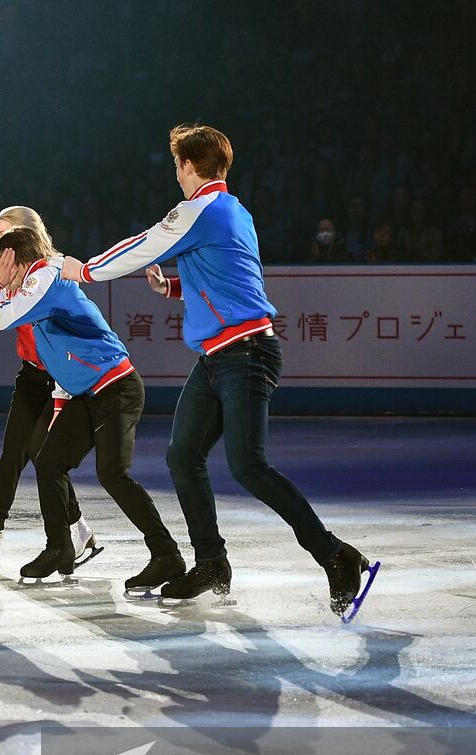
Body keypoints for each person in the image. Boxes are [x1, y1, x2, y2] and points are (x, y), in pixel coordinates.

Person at [60, 124, 378, 619]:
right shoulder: (234, 211)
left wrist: (84, 270)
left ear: (189, 166)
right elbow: (229, 276)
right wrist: (173, 290)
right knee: (183, 456)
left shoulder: (199, 209)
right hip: (219, 358)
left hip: (245, 355)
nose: (176, 177)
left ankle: (336, 555)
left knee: (248, 465)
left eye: (177, 167)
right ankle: (212, 563)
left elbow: (142, 244)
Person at [0, 225, 186, 595]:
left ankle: (166, 554)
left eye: (3, 262)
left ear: (16, 261)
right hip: (88, 394)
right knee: (48, 461)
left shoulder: (44, 278)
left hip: (116, 387)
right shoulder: (37, 280)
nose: (0, 272)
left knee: (112, 473)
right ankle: (59, 547)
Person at [0, 206, 99, 568]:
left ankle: (74, 531)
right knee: (13, 456)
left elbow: (2, 317)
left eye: (3, 236)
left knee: (42, 454)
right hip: (32, 376)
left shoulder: (51, 272)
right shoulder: (8, 267)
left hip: (62, 379)